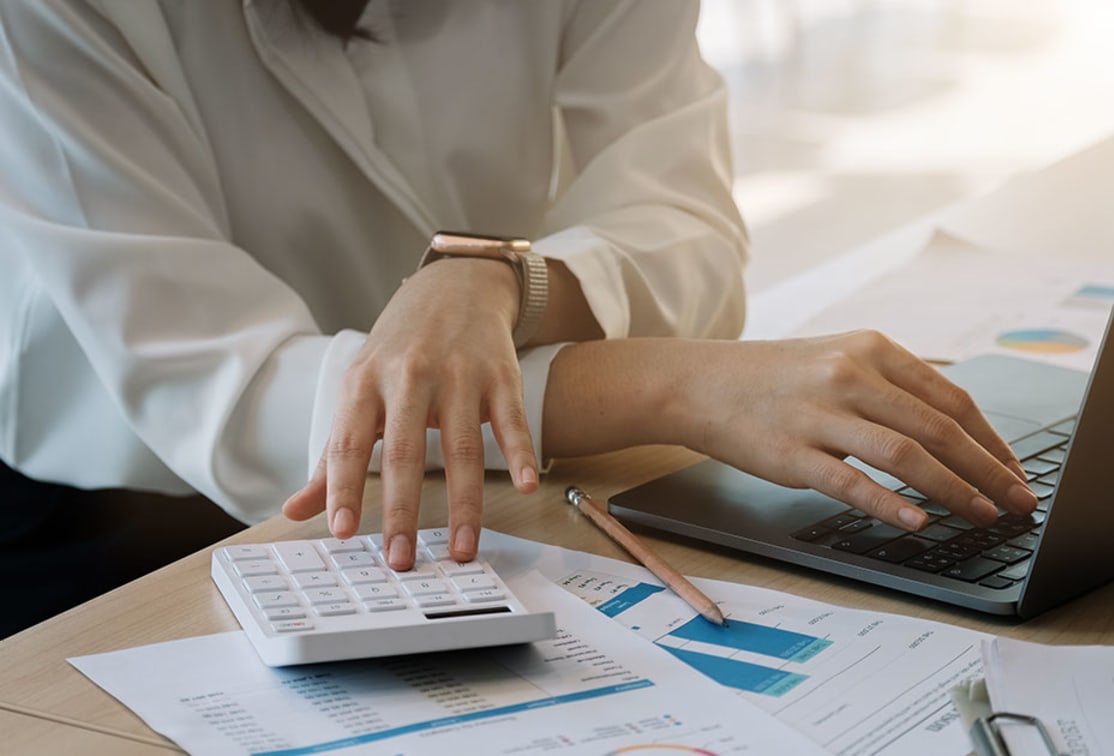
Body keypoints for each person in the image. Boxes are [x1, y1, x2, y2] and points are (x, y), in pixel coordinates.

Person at [0, 0, 1034, 636]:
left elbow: (684, 220)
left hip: (512, 480)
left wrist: (495, 280)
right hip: (126, 525)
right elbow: (235, 399)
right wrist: (676, 384)